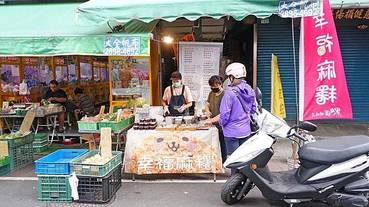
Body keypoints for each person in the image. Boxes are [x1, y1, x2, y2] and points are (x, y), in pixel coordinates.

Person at [220, 63, 257, 174]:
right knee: (243, 157)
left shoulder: (229, 93)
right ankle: (245, 178)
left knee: (234, 158)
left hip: (231, 132)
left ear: (232, 76)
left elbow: (224, 114)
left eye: (229, 76)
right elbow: (254, 109)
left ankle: (234, 182)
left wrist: (222, 124)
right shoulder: (249, 89)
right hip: (246, 130)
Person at [204, 75, 227, 163]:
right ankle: (214, 161)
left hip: (222, 124)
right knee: (213, 144)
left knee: (222, 144)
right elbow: (207, 104)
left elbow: (224, 113)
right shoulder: (211, 93)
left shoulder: (225, 95)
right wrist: (207, 111)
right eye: (212, 86)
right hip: (213, 124)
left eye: (215, 86)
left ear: (220, 84)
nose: (213, 88)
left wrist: (210, 120)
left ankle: (222, 162)